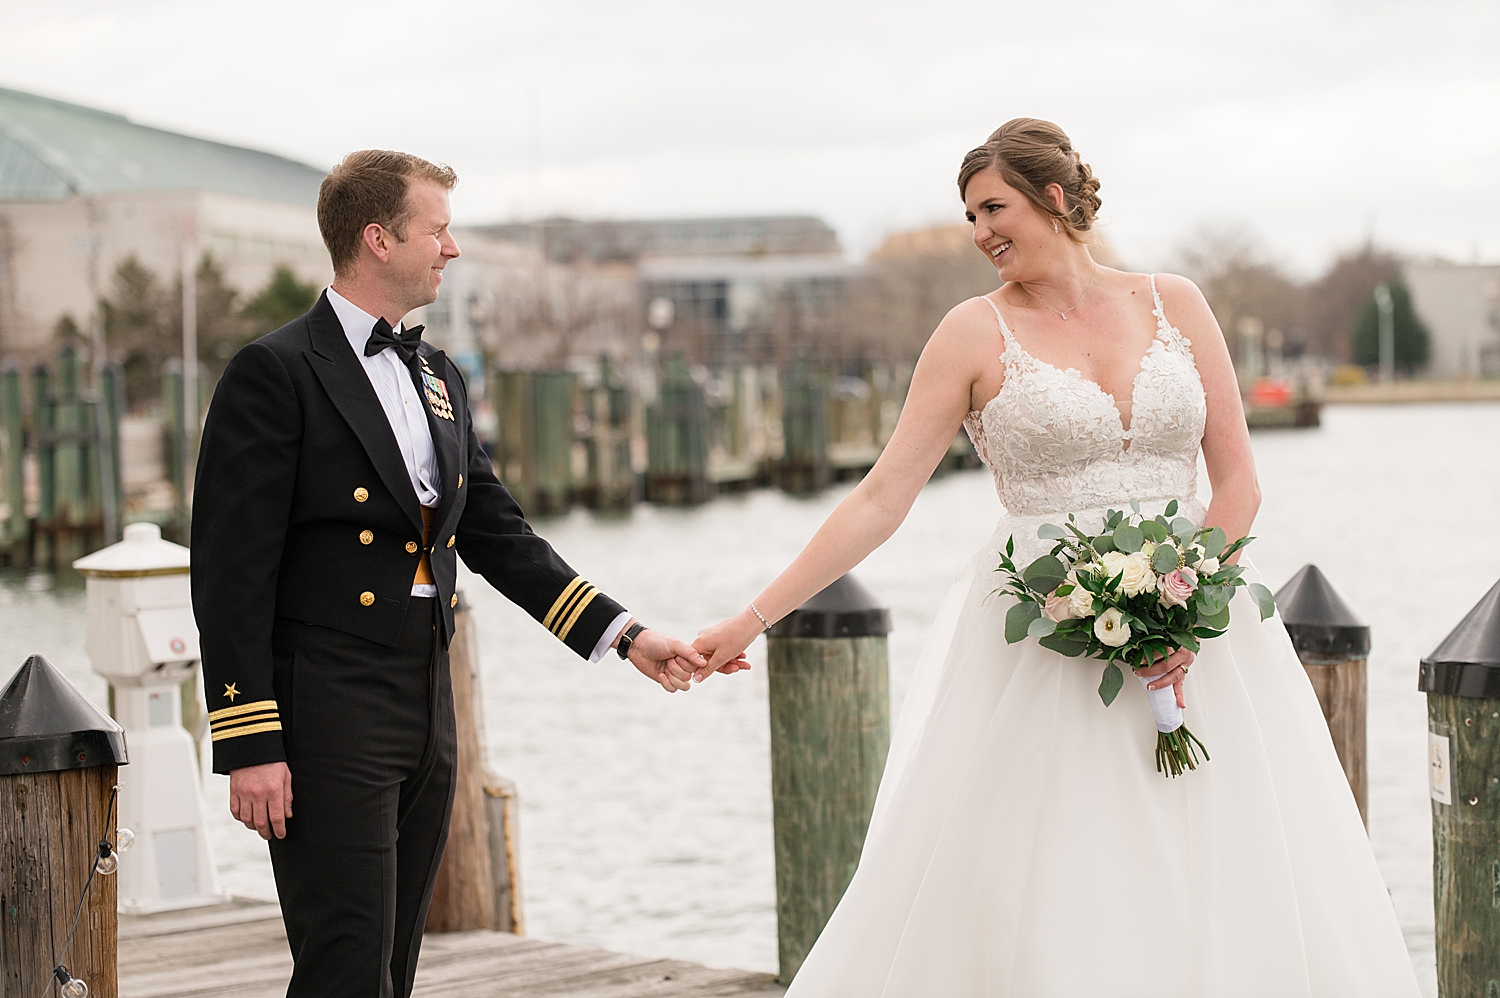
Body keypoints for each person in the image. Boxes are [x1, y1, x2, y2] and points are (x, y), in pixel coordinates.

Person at [692, 120, 1421, 996]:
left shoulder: (1175, 302)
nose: (980, 233)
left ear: (1054, 196)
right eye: (969, 216)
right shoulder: (970, 332)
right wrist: (753, 616)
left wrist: (1188, 612)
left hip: (1205, 631)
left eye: (992, 206)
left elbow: (1237, 487)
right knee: (1060, 867)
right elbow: (881, 498)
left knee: (1231, 857)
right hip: (1044, 635)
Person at [190, 150, 737, 998]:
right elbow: (229, 570)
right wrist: (249, 742)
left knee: (395, 962)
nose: (452, 249)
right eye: (437, 230)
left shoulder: (439, 376)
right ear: (378, 239)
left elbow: (497, 532)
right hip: (326, 700)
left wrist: (624, 635)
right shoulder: (276, 373)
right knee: (345, 962)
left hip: (424, 691)